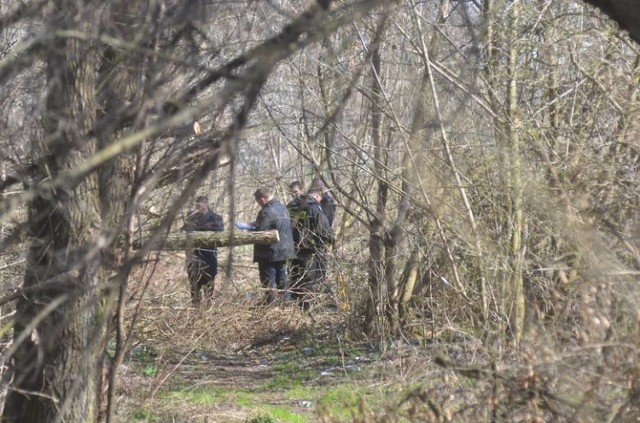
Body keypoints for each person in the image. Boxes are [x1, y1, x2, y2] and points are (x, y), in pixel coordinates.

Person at [288, 187, 334, 310]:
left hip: (292, 250)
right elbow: (324, 231)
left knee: (295, 278)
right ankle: (307, 308)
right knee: (311, 280)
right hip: (311, 252)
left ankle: (295, 306)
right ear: (318, 196)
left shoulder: (290, 206)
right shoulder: (314, 208)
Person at [252, 187, 295, 304]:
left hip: (269, 252)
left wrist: (251, 228)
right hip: (284, 250)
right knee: (282, 279)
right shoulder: (283, 207)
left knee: (268, 280)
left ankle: (271, 304)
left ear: (262, 199)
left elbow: (261, 231)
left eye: (258, 202)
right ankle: (286, 303)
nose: (259, 204)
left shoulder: (266, 211)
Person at [182, 195, 224, 307]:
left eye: (199, 204)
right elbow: (183, 231)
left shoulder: (216, 218)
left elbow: (220, 233)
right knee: (194, 286)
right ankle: (195, 309)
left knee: (209, 285)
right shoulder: (191, 217)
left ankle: (209, 308)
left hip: (209, 257)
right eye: (196, 204)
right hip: (193, 256)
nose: (197, 206)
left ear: (206, 204)